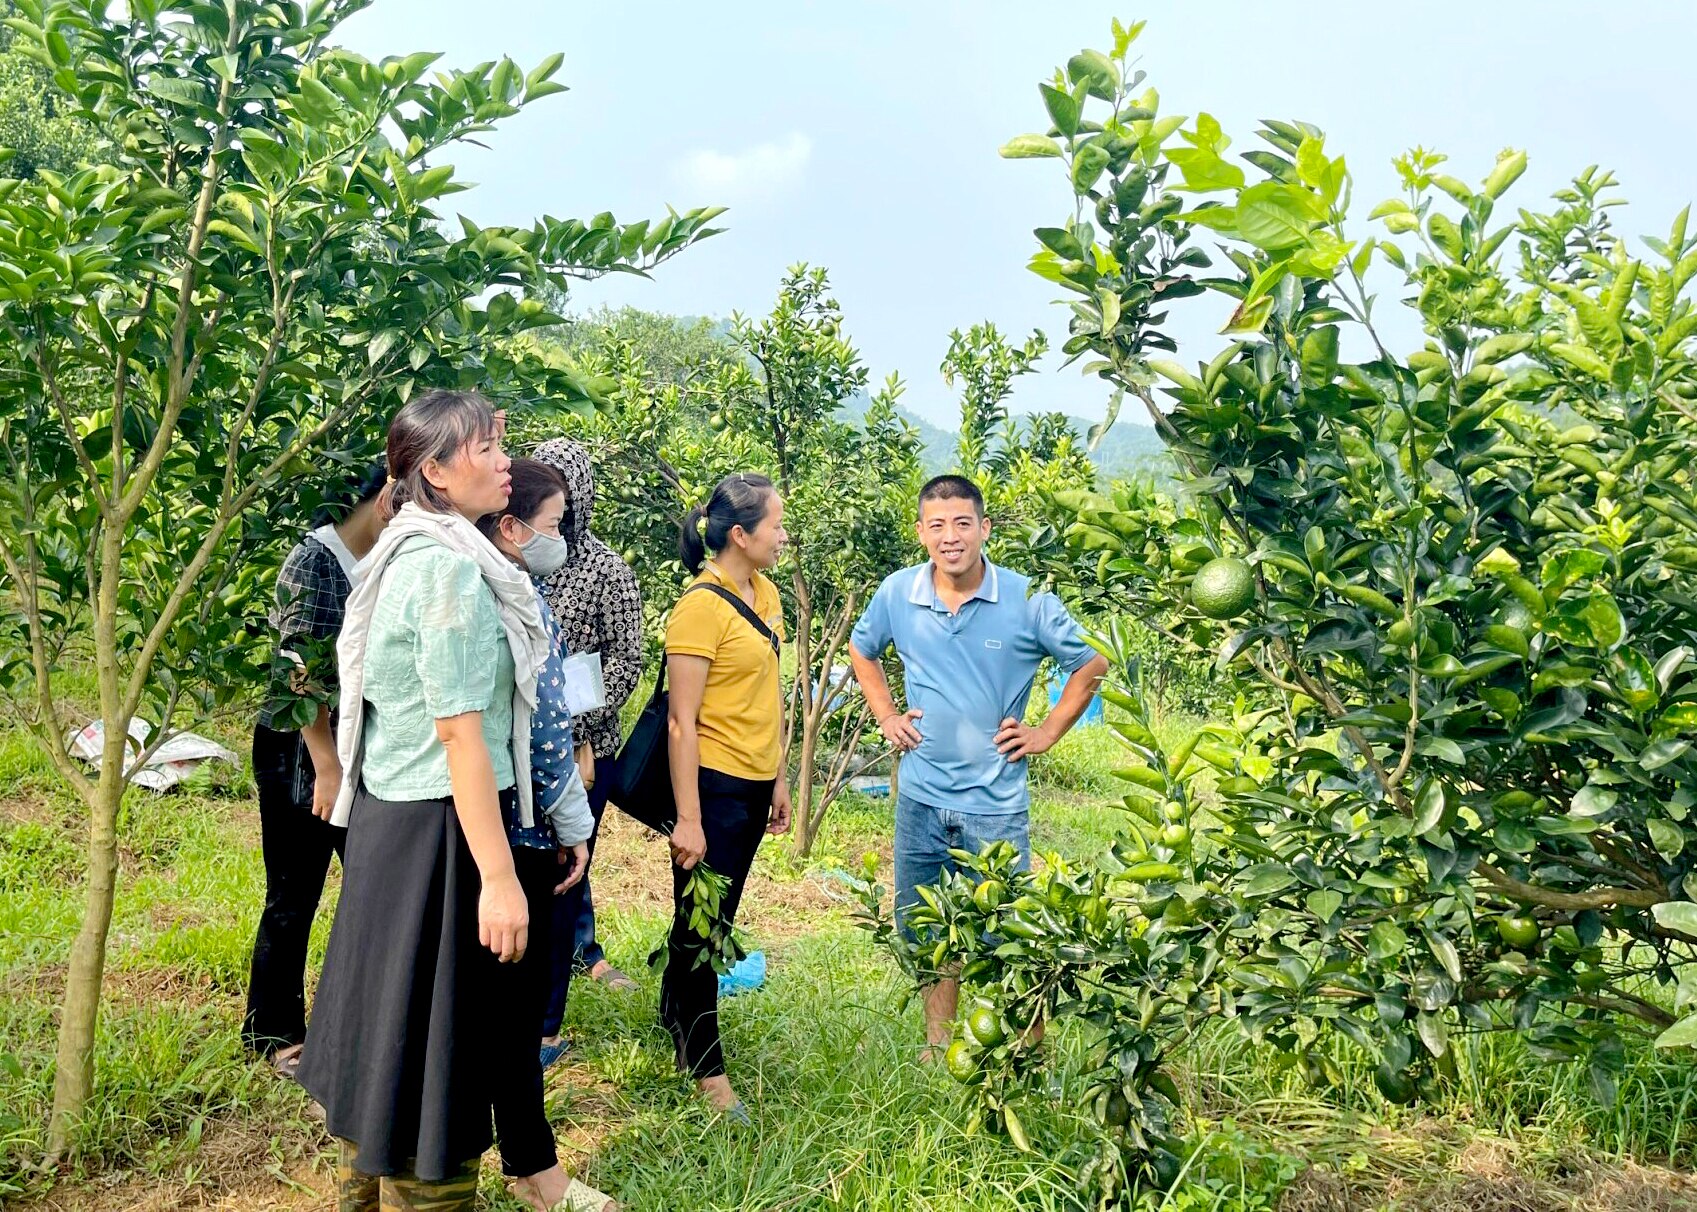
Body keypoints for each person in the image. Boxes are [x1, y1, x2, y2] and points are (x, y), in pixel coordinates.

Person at [294, 390, 613, 1212]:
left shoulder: (415, 550)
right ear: (433, 471)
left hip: (398, 826)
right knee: (440, 1064)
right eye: (484, 449)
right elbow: (462, 740)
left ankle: (368, 1190)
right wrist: (501, 877)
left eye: (500, 445)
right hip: (441, 833)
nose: (503, 461)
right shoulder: (447, 572)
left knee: (393, 1049)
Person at [848, 474, 1108, 1054]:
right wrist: (886, 714)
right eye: (936, 525)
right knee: (928, 930)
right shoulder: (897, 593)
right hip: (919, 797)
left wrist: (1045, 731)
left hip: (993, 807)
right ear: (920, 533)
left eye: (962, 523)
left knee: (1010, 934)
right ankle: (938, 1044)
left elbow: (1091, 664)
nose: (950, 537)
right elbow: (862, 651)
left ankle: (1026, 1051)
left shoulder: (1027, 599)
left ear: (984, 529)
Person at [476, 457, 611, 1212]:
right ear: (510, 526)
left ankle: (521, 1156)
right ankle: (535, 1169)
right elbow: (548, 732)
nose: (561, 540)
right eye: (554, 526)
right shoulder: (509, 597)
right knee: (517, 1009)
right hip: (521, 827)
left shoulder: (497, 587)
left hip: (494, 820)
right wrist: (570, 824)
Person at [242, 462, 387, 1077]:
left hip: (358, 750)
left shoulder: (378, 560)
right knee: (294, 892)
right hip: (300, 750)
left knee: (370, 890)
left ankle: (350, 1025)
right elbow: (299, 676)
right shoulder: (315, 561)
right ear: (385, 500)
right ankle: (271, 1033)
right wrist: (326, 767)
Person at [662, 472, 793, 1120]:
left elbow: (768, 692)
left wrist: (778, 774)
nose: (783, 535)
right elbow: (680, 721)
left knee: (710, 920)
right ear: (739, 535)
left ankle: (674, 1017)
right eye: (775, 524)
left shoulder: (763, 592)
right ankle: (707, 1071)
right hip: (710, 788)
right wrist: (688, 818)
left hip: (750, 782)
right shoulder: (698, 607)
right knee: (704, 929)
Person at [531, 439, 644, 1066]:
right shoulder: (508, 555)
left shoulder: (606, 570)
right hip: (513, 749)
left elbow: (625, 661)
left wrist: (581, 731)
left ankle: (545, 1028)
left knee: (562, 883)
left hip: (582, 754)